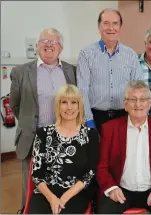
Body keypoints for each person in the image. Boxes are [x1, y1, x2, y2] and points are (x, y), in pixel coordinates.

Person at [9, 28, 77, 213]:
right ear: (37, 45)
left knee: (60, 180)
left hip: (63, 136)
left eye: (53, 42)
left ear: (60, 47)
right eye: (44, 41)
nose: (48, 45)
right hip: (33, 137)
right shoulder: (21, 71)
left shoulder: (72, 71)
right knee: (30, 184)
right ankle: (27, 210)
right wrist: (29, 123)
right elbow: (15, 105)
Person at [96, 80, 151, 214]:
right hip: (121, 190)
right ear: (125, 104)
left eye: (143, 99)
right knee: (105, 211)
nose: (138, 104)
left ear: (149, 103)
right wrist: (112, 188)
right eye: (133, 99)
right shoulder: (110, 128)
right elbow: (102, 167)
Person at [27, 84, 99, 214]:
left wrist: (64, 198)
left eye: (74, 102)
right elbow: (37, 173)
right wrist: (52, 199)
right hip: (45, 192)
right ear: (58, 106)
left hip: (76, 193)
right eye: (64, 102)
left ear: (80, 106)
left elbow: (90, 173)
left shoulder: (91, 135)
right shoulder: (43, 133)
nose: (69, 107)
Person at [77, 8, 144, 133]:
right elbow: (82, 90)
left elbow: (138, 89)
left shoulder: (130, 55)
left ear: (120, 27)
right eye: (106, 23)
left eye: (115, 23)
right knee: (98, 153)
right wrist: (88, 120)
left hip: (124, 116)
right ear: (99, 26)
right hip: (95, 117)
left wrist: (136, 117)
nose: (111, 28)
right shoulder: (86, 54)